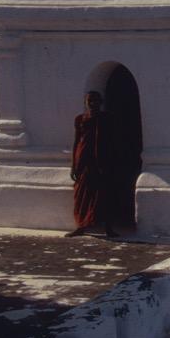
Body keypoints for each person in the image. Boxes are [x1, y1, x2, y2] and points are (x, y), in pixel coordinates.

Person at [66, 91, 116, 238]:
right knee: (82, 196)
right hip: (84, 162)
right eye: (90, 101)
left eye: (96, 101)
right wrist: (73, 165)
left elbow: (113, 141)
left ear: (101, 102)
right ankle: (81, 226)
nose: (93, 104)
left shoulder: (107, 119)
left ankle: (108, 227)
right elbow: (77, 142)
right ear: (86, 103)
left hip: (103, 162)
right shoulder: (80, 119)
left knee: (104, 195)